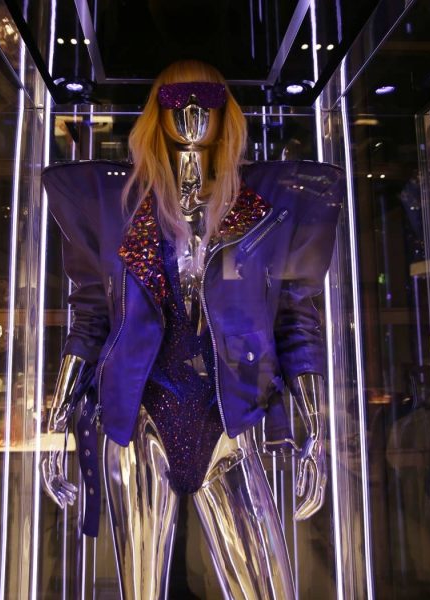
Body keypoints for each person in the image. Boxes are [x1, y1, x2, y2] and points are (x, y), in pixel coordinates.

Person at [41, 59, 344, 600]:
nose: (193, 114)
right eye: (176, 101)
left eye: (208, 100)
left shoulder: (261, 210)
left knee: (268, 588)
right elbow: (89, 315)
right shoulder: (119, 210)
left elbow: (296, 319)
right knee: (140, 589)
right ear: (155, 113)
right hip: (138, 425)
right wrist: (56, 419)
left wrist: (316, 430)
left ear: (228, 112)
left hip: (228, 423)